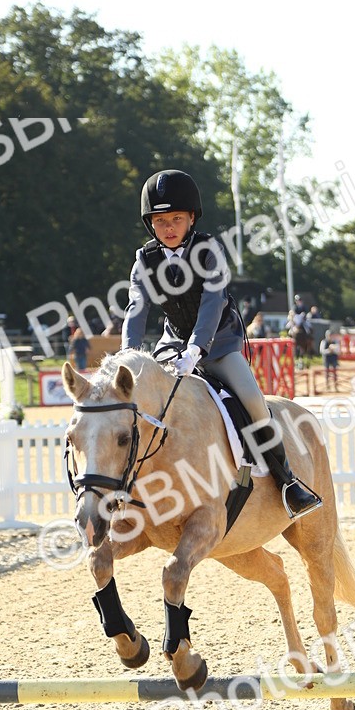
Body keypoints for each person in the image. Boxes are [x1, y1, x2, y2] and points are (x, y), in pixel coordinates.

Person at [121, 168, 321, 519]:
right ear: (149, 223)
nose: (168, 227)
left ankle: (287, 482)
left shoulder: (209, 250)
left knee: (254, 401)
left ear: (192, 218)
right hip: (171, 345)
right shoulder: (144, 261)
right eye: (160, 220)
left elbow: (212, 304)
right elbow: (137, 309)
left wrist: (197, 349)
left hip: (220, 344)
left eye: (177, 219)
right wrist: (129, 356)